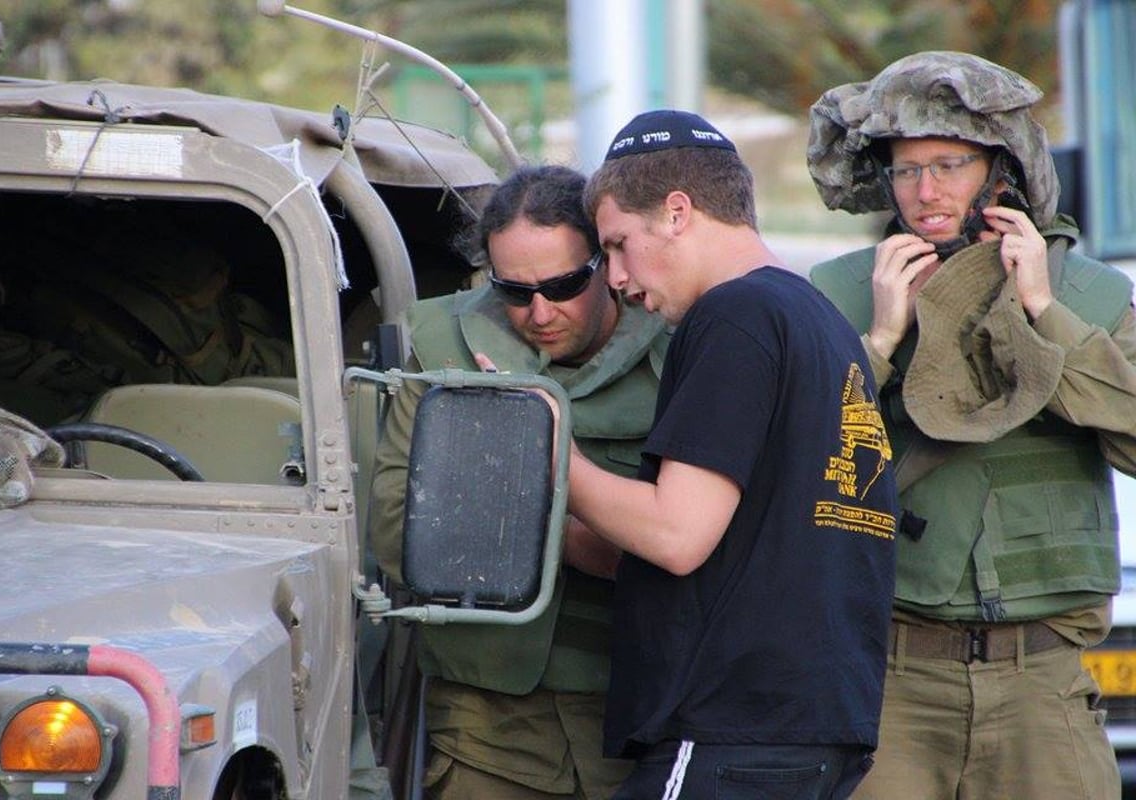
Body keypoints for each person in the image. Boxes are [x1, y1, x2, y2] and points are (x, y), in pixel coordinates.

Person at [806, 51, 1131, 799]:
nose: (926, 192)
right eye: (906, 169)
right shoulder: (839, 295)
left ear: (1000, 169)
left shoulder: (1093, 295)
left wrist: (1046, 315)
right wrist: (879, 345)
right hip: (894, 682)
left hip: (1042, 684)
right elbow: (809, 475)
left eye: (949, 165)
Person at [553, 109, 898, 800]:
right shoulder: (815, 318)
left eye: (619, 244)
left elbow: (676, 534)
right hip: (813, 731)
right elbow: (726, 547)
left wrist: (547, 445)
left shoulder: (733, 316)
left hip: (728, 734)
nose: (616, 278)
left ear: (677, 212)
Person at [369, 164, 670, 799]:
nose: (538, 313)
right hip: (485, 717)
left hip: (640, 708)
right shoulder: (441, 345)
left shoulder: (682, 343)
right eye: (512, 290)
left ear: (608, 263)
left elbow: (696, 543)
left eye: (563, 285)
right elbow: (398, 529)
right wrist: (586, 535)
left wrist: (501, 508)